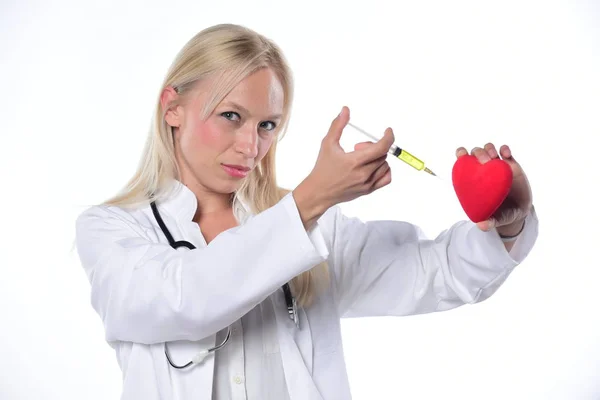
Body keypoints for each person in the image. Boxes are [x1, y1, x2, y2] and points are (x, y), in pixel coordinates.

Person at [74, 23, 538, 400]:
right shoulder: (113, 230)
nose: (250, 146)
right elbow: (187, 299)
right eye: (231, 116)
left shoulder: (311, 228)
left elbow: (431, 271)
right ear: (172, 108)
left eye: (267, 125)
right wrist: (312, 197)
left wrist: (506, 220)